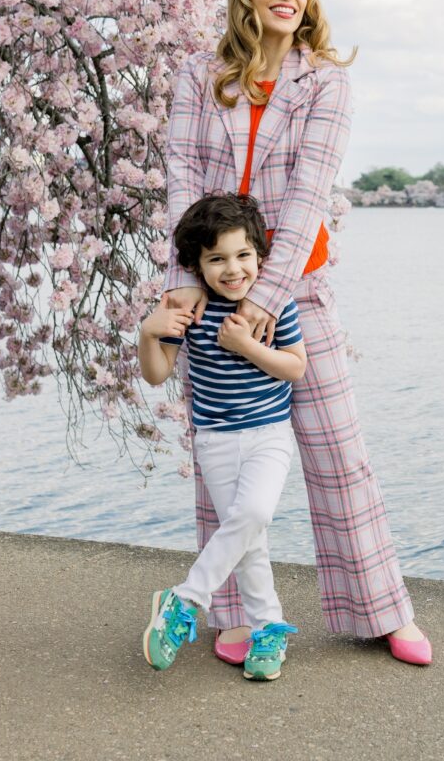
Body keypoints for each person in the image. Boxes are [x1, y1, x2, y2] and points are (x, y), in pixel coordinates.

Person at [161, 0, 432, 666]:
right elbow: (181, 174)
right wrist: (186, 283)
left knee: (338, 454)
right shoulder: (199, 75)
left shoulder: (326, 84)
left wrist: (266, 297)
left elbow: (311, 192)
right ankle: (236, 616)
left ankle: (381, 611)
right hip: (213, 287)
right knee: (222, 462)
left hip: (296, 289)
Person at [139, 192, 306, 681]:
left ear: (259, 255)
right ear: (196, 265)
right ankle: (268, 630)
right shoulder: (187, 310)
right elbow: (156, 375)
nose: (233, 270)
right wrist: (149, 333)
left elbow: (295, 367)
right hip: (215, 439)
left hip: (269, 434)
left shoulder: (276, 307)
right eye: (217, 260)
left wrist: (247, 346)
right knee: (249, 539)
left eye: (243, 256)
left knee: (254, 514)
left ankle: (185, 597)